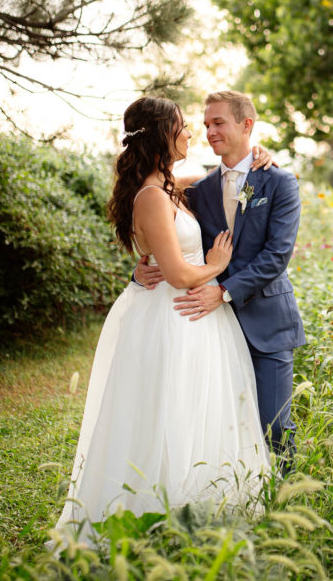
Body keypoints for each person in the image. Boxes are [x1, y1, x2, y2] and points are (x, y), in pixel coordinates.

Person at [51, 96, 271, 548]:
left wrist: (258, 156)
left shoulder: (167, 185)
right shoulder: (152, 196)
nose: (192, 133)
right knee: (165, 413)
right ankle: (153, 517)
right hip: (172, 316)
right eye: (184, 126)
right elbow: (177, 274)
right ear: (160, 136)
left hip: (188, 318)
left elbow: (223, 179)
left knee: (190, 411)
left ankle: (193, 512)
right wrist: (216, 264)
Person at [135, 90, 306, 473]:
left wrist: (224, 291)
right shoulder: (197, 190)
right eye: (206, 123)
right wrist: (138, 268)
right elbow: (157, 226)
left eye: (218, 123)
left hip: (265, 321)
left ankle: (287, 498)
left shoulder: (279, 182)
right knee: (222, 423)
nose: (209, 131)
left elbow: (277, 256)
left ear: (247, 125)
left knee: (274, 423)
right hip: (211, 329)